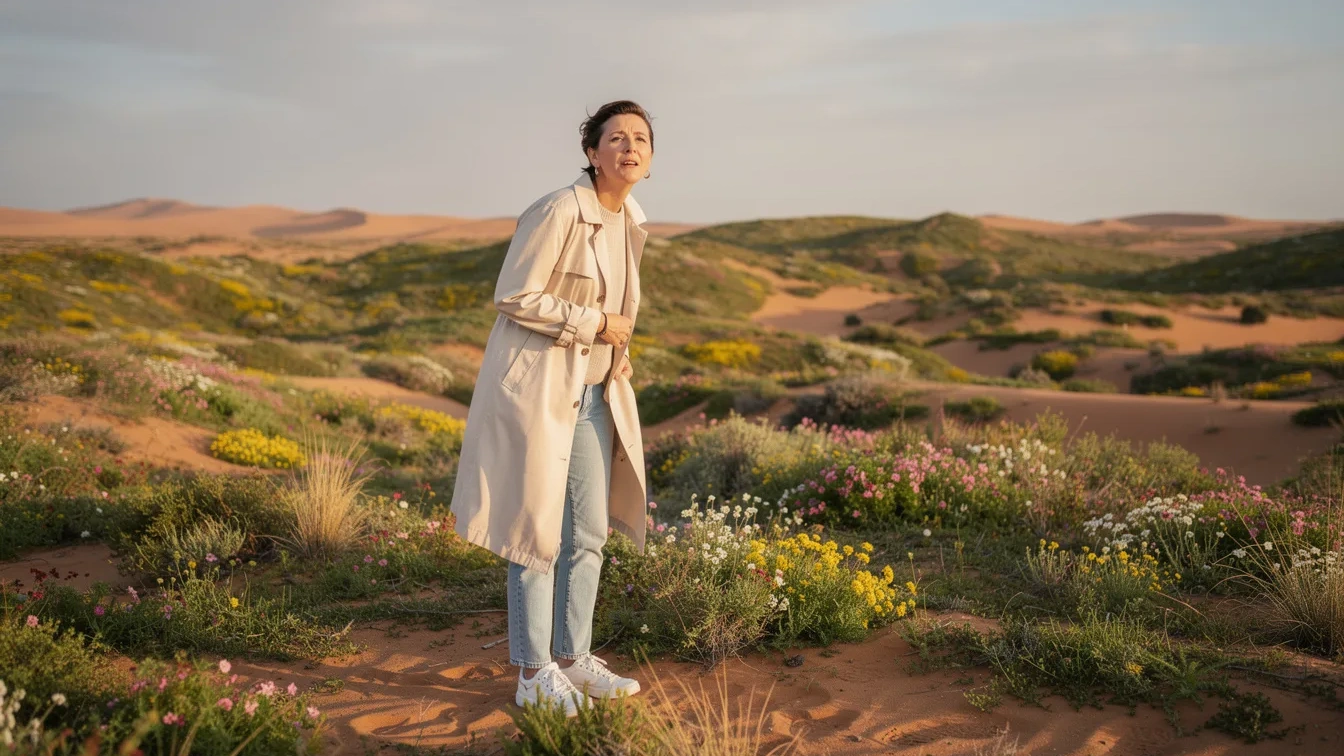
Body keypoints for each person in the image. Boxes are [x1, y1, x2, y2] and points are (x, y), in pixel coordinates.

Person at [449, 100, 655, 716]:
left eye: (641, 138)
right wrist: (594, 323)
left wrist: (614, 352)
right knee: (533, 531)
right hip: (540, 392)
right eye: (615, 137)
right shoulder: (559, 209)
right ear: (591, 153)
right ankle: (534, 673)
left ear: (651, 157)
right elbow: (513, 293)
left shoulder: (631, 219)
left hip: (593, 395)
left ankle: (574, 659)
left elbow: (620, 312)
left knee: (587, 535)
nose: (629, 147)